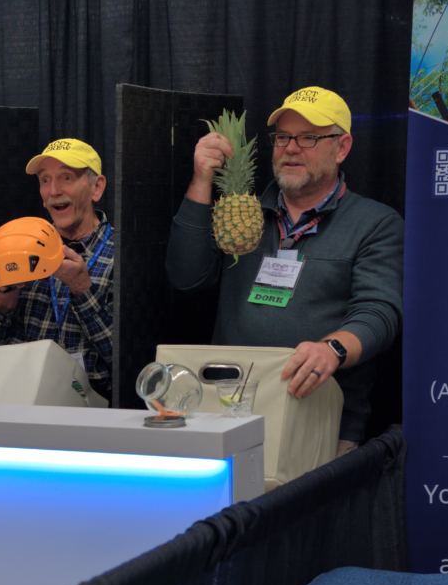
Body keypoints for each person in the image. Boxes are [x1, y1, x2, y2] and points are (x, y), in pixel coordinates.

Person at [166, 87, 403, 454]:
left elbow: (379, 313)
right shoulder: (242, 213)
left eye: (309, 138)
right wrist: (201, 180)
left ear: (341, 148)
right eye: (282, 137)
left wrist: (333, 348)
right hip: (225, 408)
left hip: (317, 417)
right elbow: (186, 278)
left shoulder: (374, 223)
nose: (291, 148)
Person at [0, 138, 115, 400]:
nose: (54, 191)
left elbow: (128, 361)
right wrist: (4, 300)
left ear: (96, 187)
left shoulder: (122, 256)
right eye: (45, 180)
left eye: (66, 177)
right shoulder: (23, 247)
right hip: (19, 401)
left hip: (94, 413)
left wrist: (83, 289)